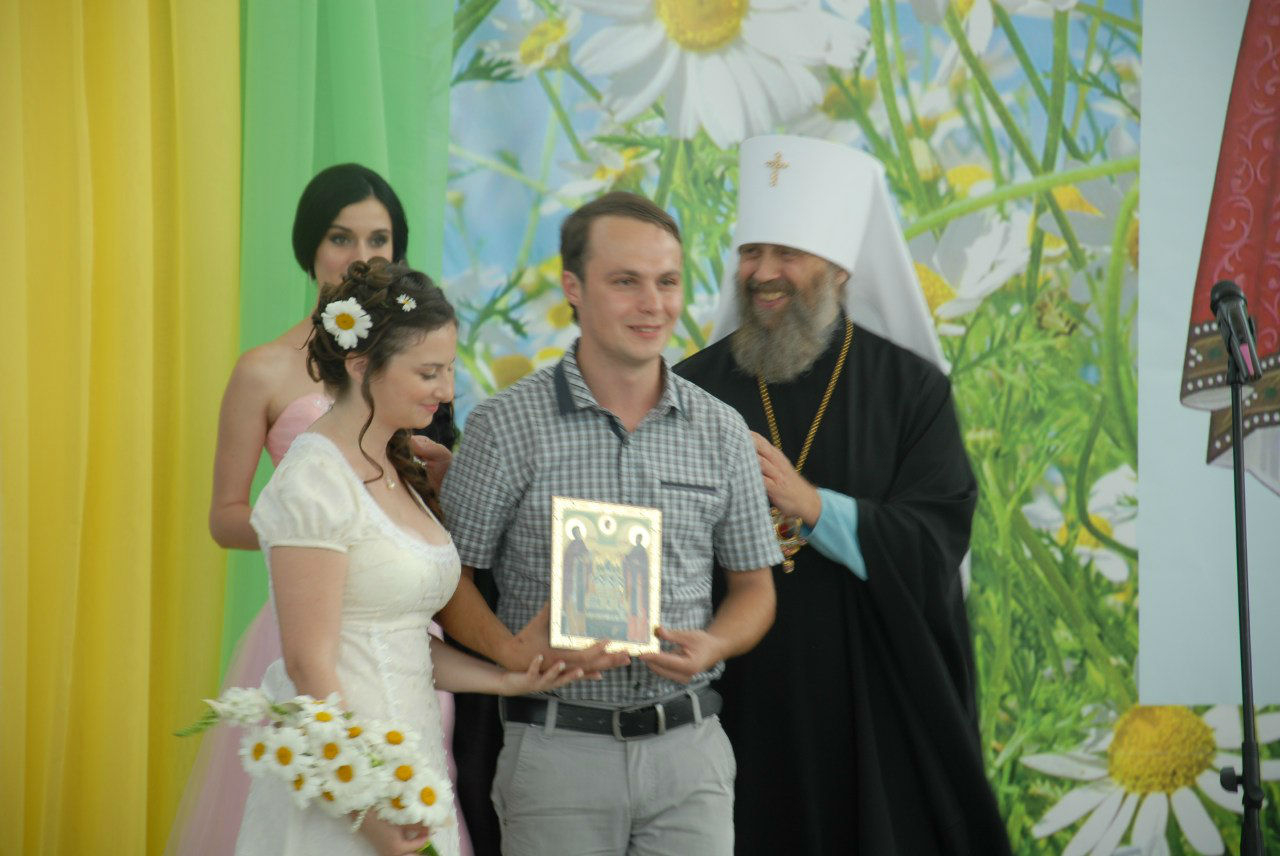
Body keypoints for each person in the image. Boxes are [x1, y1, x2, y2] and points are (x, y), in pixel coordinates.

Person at [675, 134, 1012, 855]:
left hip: (868, 699)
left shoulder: (911, 390)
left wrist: (816, 508)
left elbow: (937, 539)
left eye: (787, 254)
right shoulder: (691, 389)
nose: (764, 273)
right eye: (751, 252)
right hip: (732, 700)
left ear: (838, 268)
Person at [437, 191, 781, 855]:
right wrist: (511, 652)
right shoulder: (504, 425)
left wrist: (715, 643)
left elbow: (755, 588)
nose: (653, 304)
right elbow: (448, 579)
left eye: (667, 282)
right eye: (626, 282)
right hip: (556, 751)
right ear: (573, 287)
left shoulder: (722, 431)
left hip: (690, 757)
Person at [235, 259, 578, 856]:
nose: (447, 391)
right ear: (361, 365)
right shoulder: (314, 482)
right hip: (345, 789)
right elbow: (310, 668)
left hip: (412, 769)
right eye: (429, 372)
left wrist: (504, 679)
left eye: (449, 369)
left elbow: (397, 643)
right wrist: (364, 809)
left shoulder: (398, 466)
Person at [169, 164, 458, 856]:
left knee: (416, 799)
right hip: (311, 617)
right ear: (310, 248)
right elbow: (226, 514)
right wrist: (323, 532)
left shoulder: (419, 365)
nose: (361, 256)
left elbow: (420, 515)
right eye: (340, 237)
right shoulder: (264, 369)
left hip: (402, 628)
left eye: (379, 239)